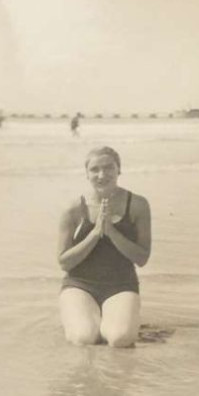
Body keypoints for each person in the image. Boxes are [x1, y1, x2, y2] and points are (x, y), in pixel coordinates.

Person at [57, 146, 151, 348]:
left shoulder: (137, 205)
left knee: (120, 339)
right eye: (95, 169)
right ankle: (85, 318)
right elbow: (64, 262)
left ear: (119, 170)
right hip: (80, 285)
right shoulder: (74, 208)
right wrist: (95, 232)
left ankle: (112, 319)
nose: (102, 175)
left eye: (109, 168)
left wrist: (112, 232)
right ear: (86, 174)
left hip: (121, 285)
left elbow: (142, 258)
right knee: (84, 338)